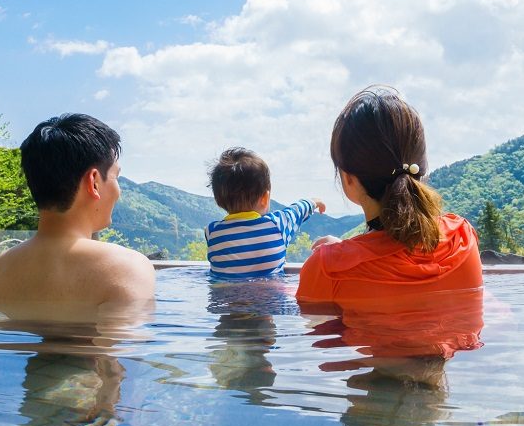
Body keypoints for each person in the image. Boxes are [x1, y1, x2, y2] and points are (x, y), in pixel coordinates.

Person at [296, 87, 483, 305]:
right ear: (420, 167)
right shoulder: (462, 238)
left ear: (348, 179)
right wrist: (345, 250)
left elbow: (321, 331)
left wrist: (339, 255)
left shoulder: (326, 270)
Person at [0, 113, 155, 321]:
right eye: (116, 177)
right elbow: (118, 349)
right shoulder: (127, 268)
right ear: (94, 182)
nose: (118, 190)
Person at [206, 147, 325, 279]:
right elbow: (298, 210)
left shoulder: (212, 232)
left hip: (225, 299)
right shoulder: (276, 224)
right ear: (264, 198)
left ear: (218, 201)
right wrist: (315, 201)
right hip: (269, 298)